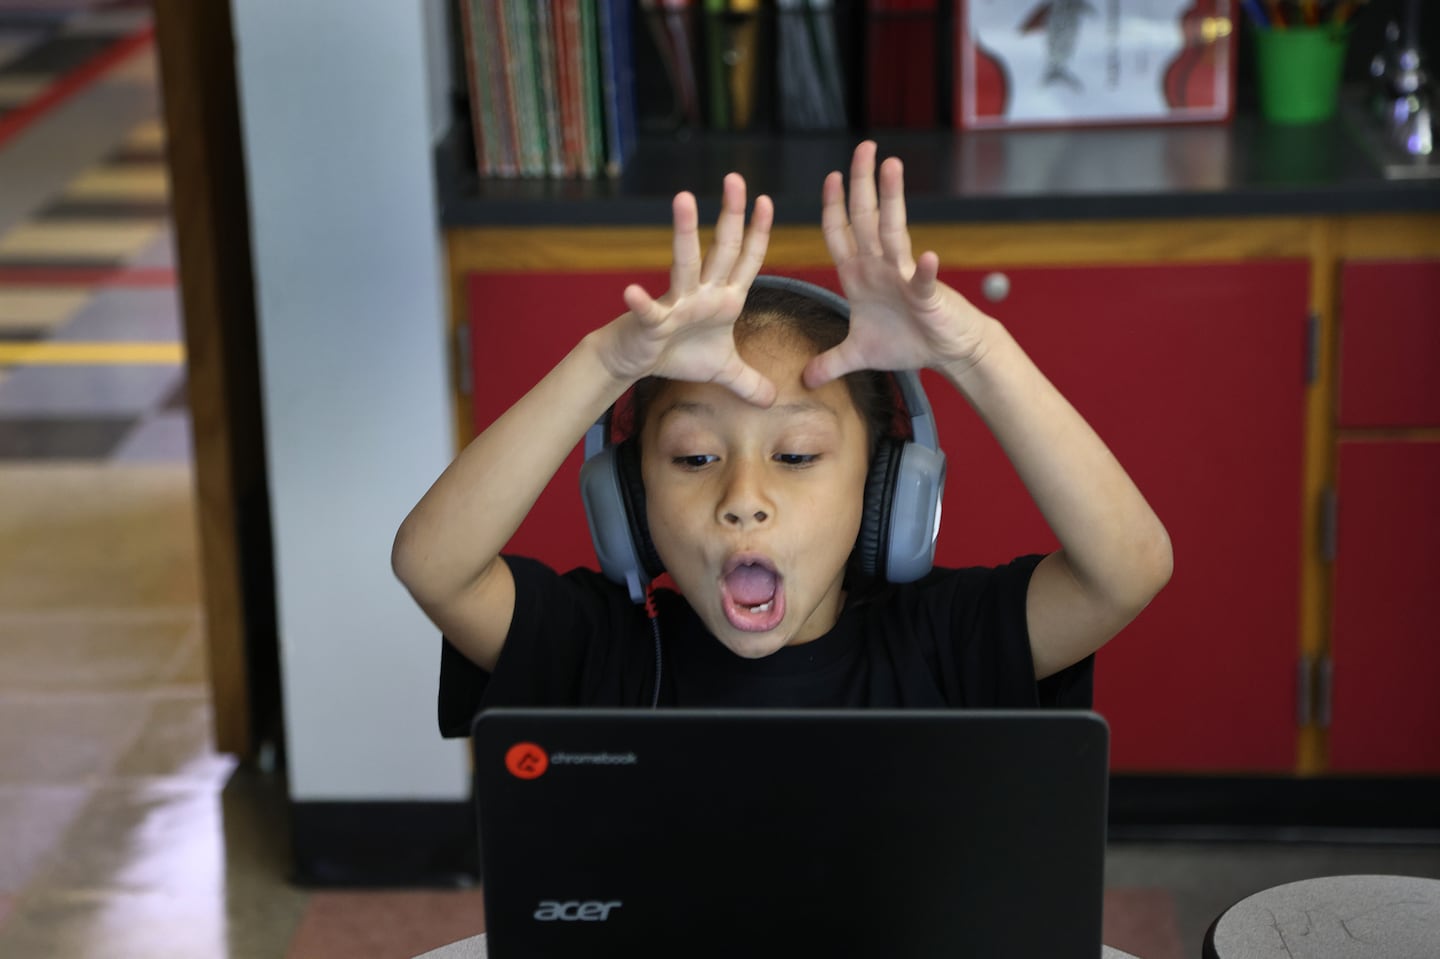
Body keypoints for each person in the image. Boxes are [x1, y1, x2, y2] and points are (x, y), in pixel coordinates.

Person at [391, 142, 1173, 735]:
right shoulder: (601, 653)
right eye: (695, 457)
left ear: (884, 493)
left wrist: (978, 353)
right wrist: (604, 362)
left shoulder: (941, 643)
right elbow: (435, 565)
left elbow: (1126, 570)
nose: (743, 500)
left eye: (796, 455)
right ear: (628, 499)